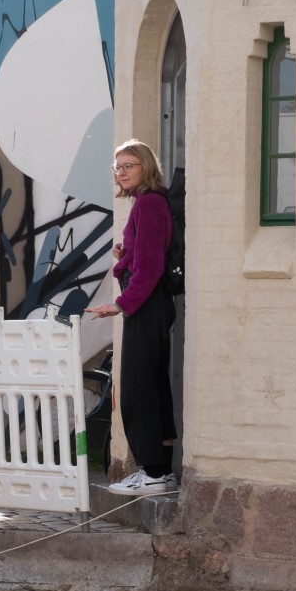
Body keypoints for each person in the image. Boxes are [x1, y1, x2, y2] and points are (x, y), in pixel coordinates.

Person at [87, 140, 177, 496]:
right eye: (118, 166)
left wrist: (122, 304)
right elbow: (147, 255)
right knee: (153, 387)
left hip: (146, 306)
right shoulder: (149, 203)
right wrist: (125, 255)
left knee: (138, 391)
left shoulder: (149, 204)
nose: (121, 172)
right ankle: (162, 472)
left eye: (129, 165)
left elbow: (151, 266)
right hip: (152, 305)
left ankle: (152, 473)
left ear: (146, 167)